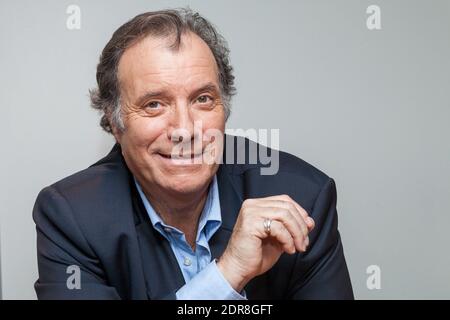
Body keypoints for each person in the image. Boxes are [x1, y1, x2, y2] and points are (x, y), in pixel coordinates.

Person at [33, 8, 353, 299]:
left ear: (224, 111)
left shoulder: (300, 197)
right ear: (116, 124)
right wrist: (226, 275)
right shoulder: (72, 216)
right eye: (154, 104)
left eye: (202, 99)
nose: (185, 130)